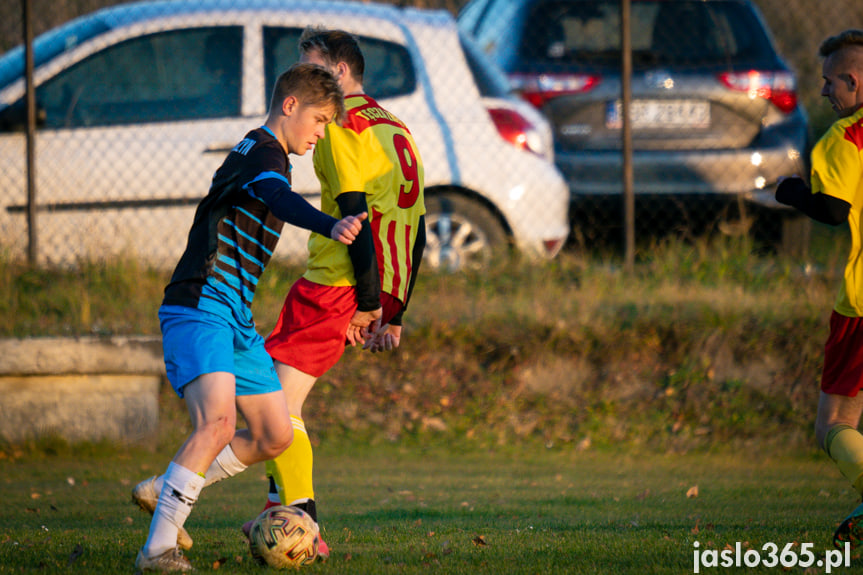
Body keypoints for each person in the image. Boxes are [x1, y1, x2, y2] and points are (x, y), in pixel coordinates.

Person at [131, 63, 368, 573]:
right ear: (290, 106)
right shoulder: (265, 154)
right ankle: (156, 552)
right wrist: (331, 224)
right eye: (320, 120)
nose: (321, 133)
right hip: (201, 304)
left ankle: (166, 487)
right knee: (217, 423)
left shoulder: (261, 151)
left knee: (274, 434)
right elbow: (274, 195)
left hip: (233, 315)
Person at [241, 27, 427, 559]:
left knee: (275, 403)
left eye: (317, 69)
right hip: (357, 286)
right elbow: (414, 222)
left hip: (337, 283)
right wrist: (394, 309)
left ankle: (304, 525)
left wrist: (370, 304)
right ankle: (284, 512)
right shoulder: (394, 124)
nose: (311, 82)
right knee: (272, 398)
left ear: (341, 73)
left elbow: (356, 217)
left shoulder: (344, 124)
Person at [775, 29, 863, 549]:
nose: (825, 91)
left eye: (830, 82)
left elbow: (832, 210)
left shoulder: (842, 139)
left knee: (833, 422)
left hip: (860, 304)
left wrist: (792, 194)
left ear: (853, 81)